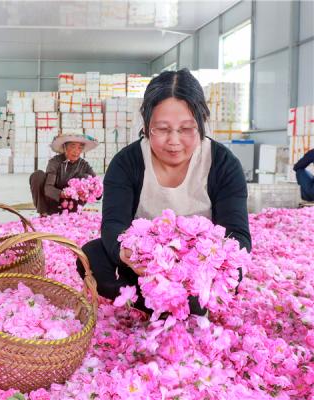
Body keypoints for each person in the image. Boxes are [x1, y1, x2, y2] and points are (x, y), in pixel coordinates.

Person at [77, 68, 252, 317]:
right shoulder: (127, 162)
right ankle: (150, 302)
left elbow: (239, 236)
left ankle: (184, 304)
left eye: (186, 129)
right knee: (93, 255)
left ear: (202, 120)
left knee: (234, 265)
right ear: (147, 123)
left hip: (199, 270)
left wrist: (198, 265)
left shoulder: (223, 164)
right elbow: (114, 224)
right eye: (162, 128)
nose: (174, 141)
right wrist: (127, 254)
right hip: (144, 269)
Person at [29, 134, 99, 216]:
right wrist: (64, 194)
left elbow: (97, 187)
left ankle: (72, 214)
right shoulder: (55, 162)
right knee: (37, 175)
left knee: (86, 178)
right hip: (52, 203)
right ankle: (43, 214)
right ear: (65, 147)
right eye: (73, 147)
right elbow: (48, 188)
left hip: (71, 206)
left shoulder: (84, 165)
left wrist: (91, 190)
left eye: (80, 148)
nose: (76, 151)